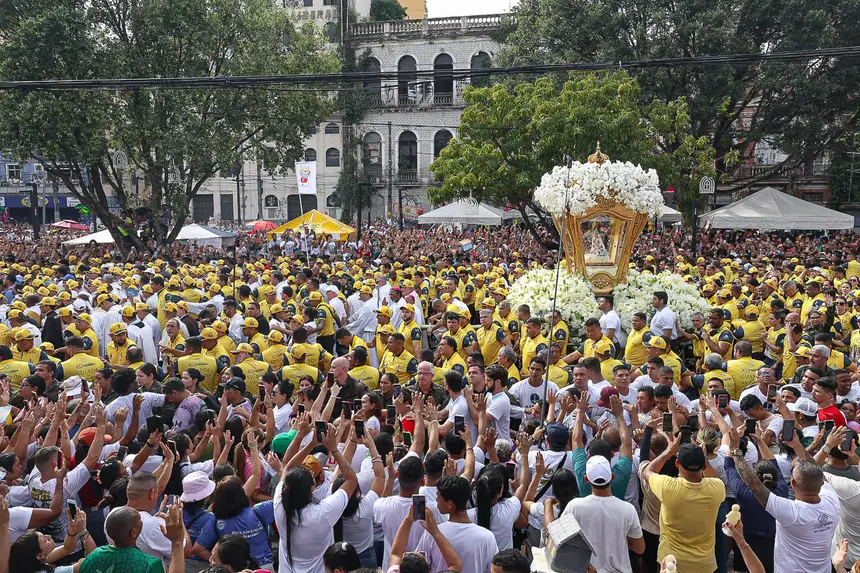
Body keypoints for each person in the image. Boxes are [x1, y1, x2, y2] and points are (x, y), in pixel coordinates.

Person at [274, 415, 358, 573]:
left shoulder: (280, 504)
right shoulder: (321, 514)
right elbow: (351, 481)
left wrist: (310, 444)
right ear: (312, 488)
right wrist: (333, 449)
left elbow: (287, 467)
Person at [641, 434, 725, 573]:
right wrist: (704, 459)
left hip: (670, 564)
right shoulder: (716, 488)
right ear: (703, 465)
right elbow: (714, 478)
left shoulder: (668, 486)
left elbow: (648, 471)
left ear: (677, 463)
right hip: (704, 565)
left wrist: (668, 451)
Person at [562, 455, 644, 573]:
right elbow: (639, 548)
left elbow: (560, 542)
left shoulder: (574, 507)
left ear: (586, 479)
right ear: (612, 477)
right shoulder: (628, 510)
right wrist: (621, 539)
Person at [415, 475, 498, 573]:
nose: (436, 499)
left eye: (438, 496)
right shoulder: (487, 536)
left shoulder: (432, 533)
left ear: (450, 504)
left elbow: (417, 564)